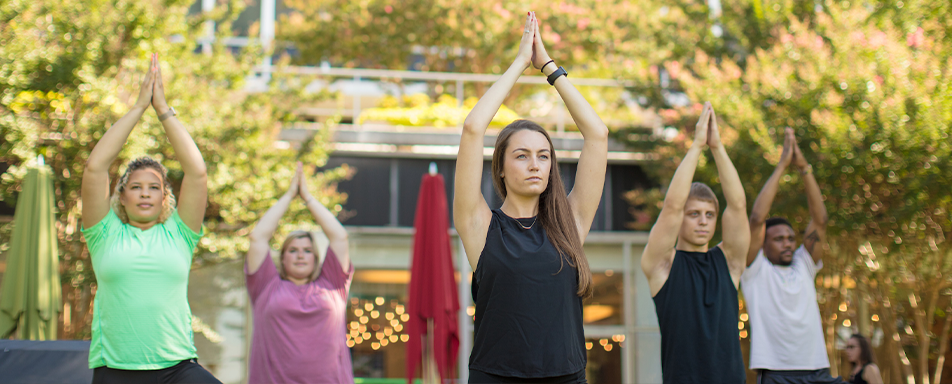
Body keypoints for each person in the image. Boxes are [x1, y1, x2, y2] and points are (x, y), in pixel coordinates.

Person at [454, 11, 608, 384]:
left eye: (543, 156)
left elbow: (598, 134)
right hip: (495, 376)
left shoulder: (570, 224)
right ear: (502, 168)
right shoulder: (480, 226)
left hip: (566, 376)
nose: (535, 164)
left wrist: (550, 69)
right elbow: (474, 128)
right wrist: (521, 63)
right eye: (521, 156)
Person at [81, 54, 219, 383]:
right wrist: (138, 108)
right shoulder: (104, 235)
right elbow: (95, 168)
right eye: (136, 187)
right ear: (122, 196)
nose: (145, 193)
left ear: (164, 198)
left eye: (154, 187)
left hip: (177, 368)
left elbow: (197, 173)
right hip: (116, 370)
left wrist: (163, 111)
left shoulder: (180, 235)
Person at [640, 103, 750, 383]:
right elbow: (671, 207)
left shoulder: (729, 262)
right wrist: (697, 146)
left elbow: (737, 205)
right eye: (694, 214)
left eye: (709, 215)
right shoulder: (663, 265)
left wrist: (718, 147)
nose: (703, 221)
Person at [742, 128, 841, 384]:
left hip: (818, 369)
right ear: (763, 245)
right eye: (778, 239)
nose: (787, 243)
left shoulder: (803, 265)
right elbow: (756, 219)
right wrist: (781, 167)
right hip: (777, 373)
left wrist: (804, 168)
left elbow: (820, 220)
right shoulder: (755, 270)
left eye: (790, 238)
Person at [245, 162, 354, 384]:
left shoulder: (333, 285)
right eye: (293, 250)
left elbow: (340, 237)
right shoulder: (266, 286)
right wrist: (288, 196)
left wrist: (308, 198)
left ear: (316, 258)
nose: (300, 255)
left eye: (307, 250)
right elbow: (258, 238)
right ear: (282, 259)